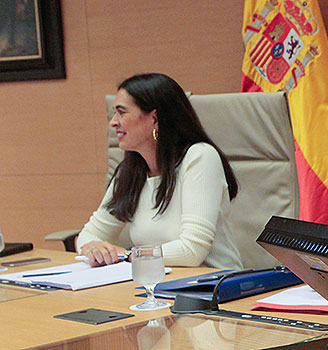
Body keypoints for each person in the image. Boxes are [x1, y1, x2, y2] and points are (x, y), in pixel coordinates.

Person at [76, 73, 243, 270]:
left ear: (154, 118)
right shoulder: (129, 172)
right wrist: (94, 247)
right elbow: (88, 236)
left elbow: (192, 251)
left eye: (122, 112)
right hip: (153, 284)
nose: (113, 122)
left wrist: (129, 254)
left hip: (211, 288)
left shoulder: (200, 157)